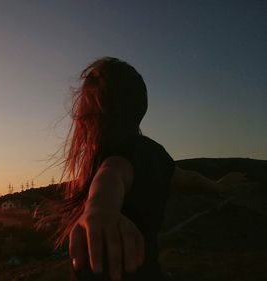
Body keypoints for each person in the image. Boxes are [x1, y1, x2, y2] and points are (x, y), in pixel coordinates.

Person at [34, 57, 247, 281]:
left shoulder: (117, 159)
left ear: (97, 117)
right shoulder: (156, 156)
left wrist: (99, 209)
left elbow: (112, 176)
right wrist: (218, 186)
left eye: (85, 117)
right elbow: (190, 178)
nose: (81, 124)